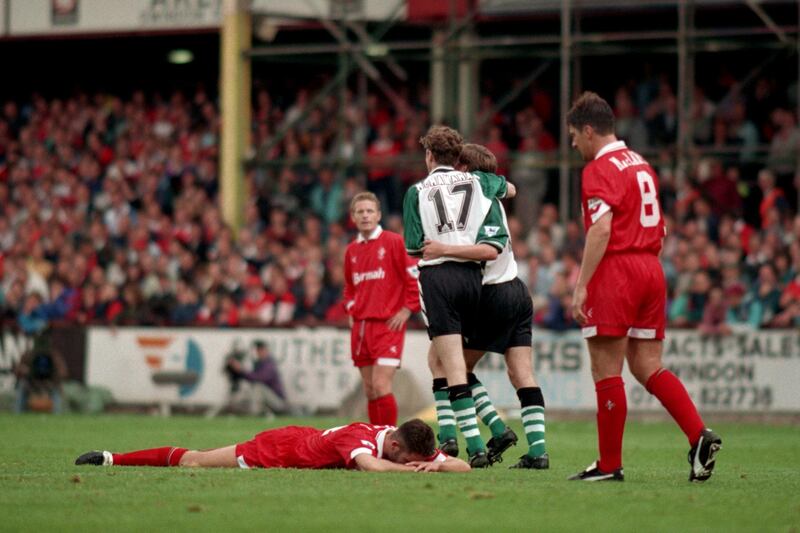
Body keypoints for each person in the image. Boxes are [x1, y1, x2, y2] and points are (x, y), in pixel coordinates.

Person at [566, 91, 722, 482]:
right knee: (646, 365)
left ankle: (608, 465)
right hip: (652, 267)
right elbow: (661, 227)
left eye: (573, 135)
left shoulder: (598, 169)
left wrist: (582, 284)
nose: (572, 144)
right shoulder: (641, 164)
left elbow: (601, 228)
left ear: (589, 130)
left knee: (606, 370)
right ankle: (699, 435)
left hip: (617, 268)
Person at [422, 144, 549, 470]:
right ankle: (538, 452)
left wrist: (438, 250)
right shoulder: (487, 195)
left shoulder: (471, 196)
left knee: (450, 366)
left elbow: (484, 249)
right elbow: (510, 187)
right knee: (521, 372)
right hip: (518, 290)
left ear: (465, 169)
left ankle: (471, 434)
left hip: (491, 293)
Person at [403, 126, 514, 468]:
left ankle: (476, 448)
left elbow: (413, 246)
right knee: (445, 361)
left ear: (429, 156)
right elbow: (509, 188)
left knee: (451, 365)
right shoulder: (479, 182)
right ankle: (459, 435)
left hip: (439, 277)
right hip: (473, 277)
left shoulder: (417, 191)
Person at [75, 418, 470, 473]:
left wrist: (435, 465)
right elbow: (370, 467)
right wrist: (407, 471)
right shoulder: (362, 438)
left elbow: (462, 467)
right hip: (279, 450)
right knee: (194, 463)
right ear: (396, 445)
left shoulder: (407, 441)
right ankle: (113, 458)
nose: (415, 463)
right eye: (410, 460)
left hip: (304, 438)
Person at [343, 192, 421, 426]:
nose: (365, 216)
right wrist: (351, 309)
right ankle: (376, 438)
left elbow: (413, 276)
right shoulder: (352, 251)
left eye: (370, 211)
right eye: (360, 212)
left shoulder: (394, 242)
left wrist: (408, 309)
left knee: (380, 385)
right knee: (369, 390)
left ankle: (389, 437)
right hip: (361, 327)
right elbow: (349, 288)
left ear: (378, 215)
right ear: (353, 217)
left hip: (388, 325)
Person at [226, 340, 289, 417]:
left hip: (279, 403)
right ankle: (253, 412)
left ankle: (255, 414)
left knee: (258, 386)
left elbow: (258, 378)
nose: (259, 352)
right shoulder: (259, 363)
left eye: (260, 350)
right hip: (269, 401)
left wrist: (241, 369)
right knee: (250, 390)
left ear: (265, 350)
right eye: (258, 350)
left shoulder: (269, 363)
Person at [14, 335, 68, 414]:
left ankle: (57, 413)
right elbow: (18, 370)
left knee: (57, 389)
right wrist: (26, 371)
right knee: (22, 386)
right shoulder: (28, 355)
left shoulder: (54, 355)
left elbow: (63, 373)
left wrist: (53, 374)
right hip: (31, 384)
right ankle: (18, 412)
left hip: (49, 383)